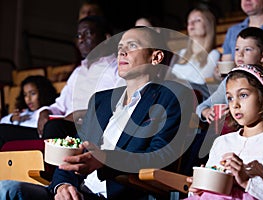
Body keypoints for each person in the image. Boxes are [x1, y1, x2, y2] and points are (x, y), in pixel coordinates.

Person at [0, 26, 196, 200]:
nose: (122, 52)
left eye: (132, 46)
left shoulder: (172, 96)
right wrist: (63, 185)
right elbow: (75, 152)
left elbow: (161, 156)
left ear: (156, 57)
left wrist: (105, 159)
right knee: (6, 188)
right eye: (120, 48)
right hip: (78, 191)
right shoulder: (100, 100)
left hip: (122, 192)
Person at [186, 64, 263, 199]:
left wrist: (247, 182)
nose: (235, 104)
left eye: (243, 95)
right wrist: (198, 187)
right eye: (230, 98)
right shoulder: (221, 142)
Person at [37, 15, 125, 139]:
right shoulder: (78, 72)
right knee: (4, 131)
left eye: (88, 34)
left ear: (106, 38)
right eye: (79, 36)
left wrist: (81, 114)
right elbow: (60, 106)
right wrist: (45, 111)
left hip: (93, 129)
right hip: (64, 126)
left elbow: (119, 105)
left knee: (54, 127)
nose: (81, 40)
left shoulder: (118, 68)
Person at [197, 27, 263, 125]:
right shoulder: (230, 80)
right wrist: (206, 112)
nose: (240, 54)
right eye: (237, 49)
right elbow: (204, 106)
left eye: (247, 49)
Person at [165, 6, 220, 101]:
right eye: (189, 20)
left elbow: (200, 82)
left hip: (193, 100)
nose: (191, 23)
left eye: (197, 20)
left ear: (208, 25)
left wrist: (175, 80)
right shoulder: (180, 53)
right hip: (172, 96)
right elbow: (165, 78)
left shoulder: (214, 54)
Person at [0, 75, 57, 148]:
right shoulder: (25, 112)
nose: (28, 99)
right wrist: (12, 119)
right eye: (25, 95)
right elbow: (2, 121)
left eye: (33, 93)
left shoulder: (48, 111)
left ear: (43, 93)